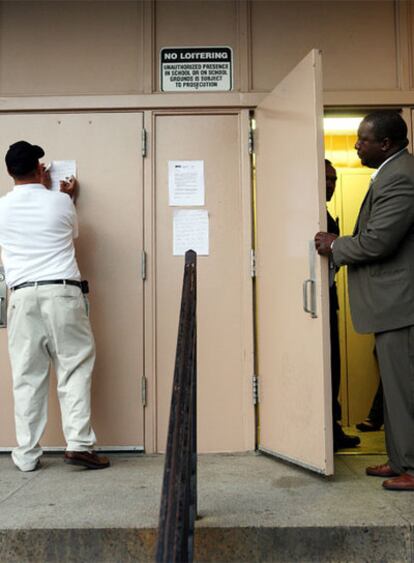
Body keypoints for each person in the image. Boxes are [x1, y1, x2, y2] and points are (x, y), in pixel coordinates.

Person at [315, 110, 414, 490]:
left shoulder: (401, 177)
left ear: (386, 143)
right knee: (394, 387)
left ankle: (411, 466)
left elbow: (378, 241)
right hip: (391, 307)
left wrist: (335, 244)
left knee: (404, 389)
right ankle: (399, 458)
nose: (356, 145)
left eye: (363, 139)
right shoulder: (390, 173)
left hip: (401, 306)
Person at [0, 141, 110, 472]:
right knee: (74, 366)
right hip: (62, 292)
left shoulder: (1, 207)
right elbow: (70, 232)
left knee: (26, 376)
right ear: (40, 169)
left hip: (21, 296)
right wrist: (63, 195)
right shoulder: (61, 203)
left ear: (9, 173)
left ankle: (27, 455)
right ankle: (78, 444)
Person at [325, 159, 360, 451]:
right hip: (310, 301)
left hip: (329, 298)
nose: (330, 185)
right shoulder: (307, 211)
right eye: (325, 179)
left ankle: (332, 429)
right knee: (323, 364)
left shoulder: (328, 215)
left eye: (334, 179)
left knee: (332, 365)